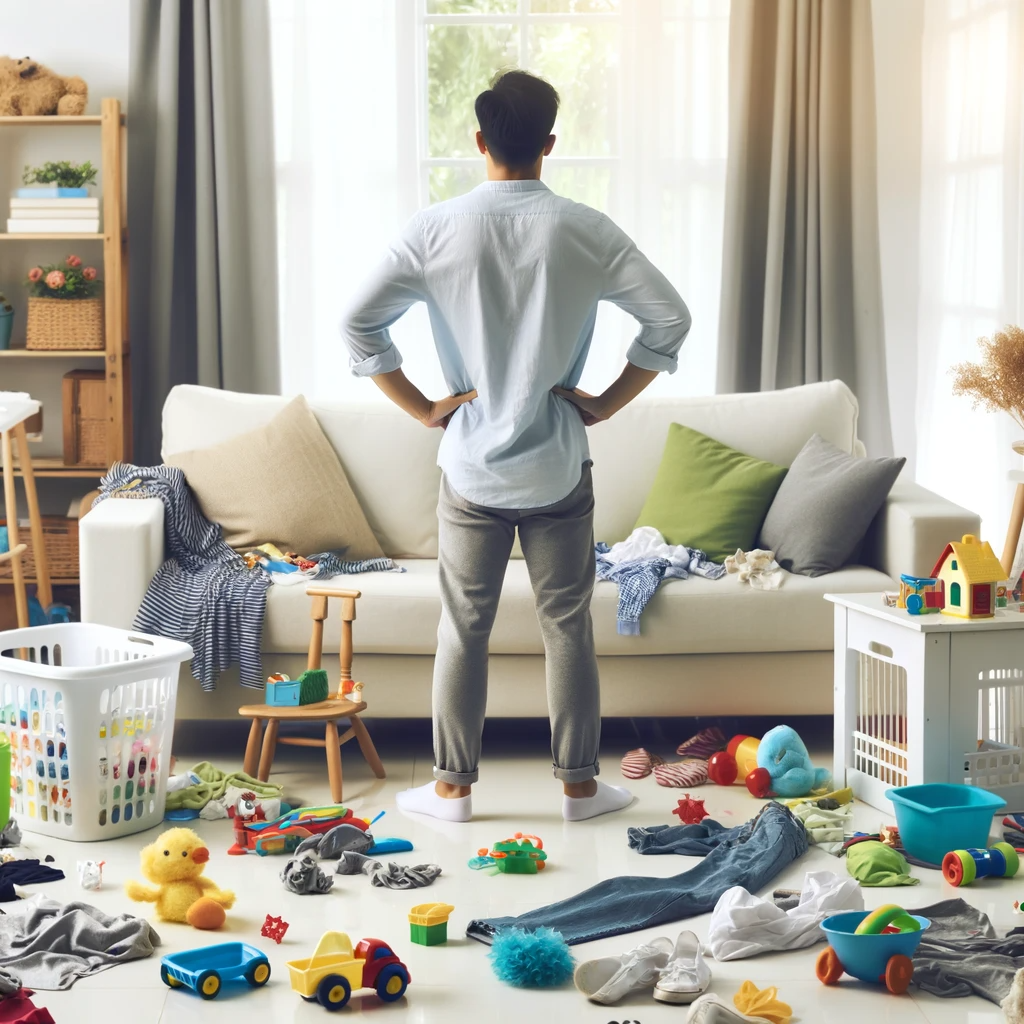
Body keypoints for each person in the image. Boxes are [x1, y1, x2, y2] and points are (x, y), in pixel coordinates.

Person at [340, 69, 691, 822]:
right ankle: (578, 789)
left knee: (462, 628)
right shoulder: (585, 229)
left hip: (470, 467)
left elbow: (357, 325)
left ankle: (452, 791)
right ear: (550, 144)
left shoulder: (433, 229)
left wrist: (424, 408)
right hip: (559, 463)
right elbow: (670, 321)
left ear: (479, 140)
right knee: (567, 625)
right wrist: (604, 401)